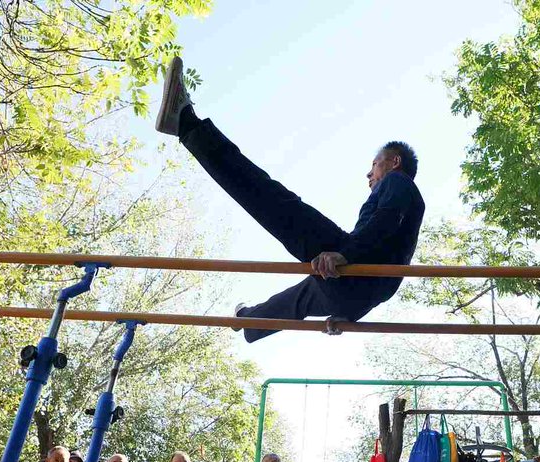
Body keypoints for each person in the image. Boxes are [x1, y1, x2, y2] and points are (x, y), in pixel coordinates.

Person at [153, 57, 426, 343]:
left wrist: (346, 254)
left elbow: (386, 219)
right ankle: (249, 320)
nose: (369, 173)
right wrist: (351, 314)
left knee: (273, 200)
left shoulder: (399, 181)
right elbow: (388, 269)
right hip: (358, 294)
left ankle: (186, 123)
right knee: (306, 293)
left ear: (395, 162)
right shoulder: (402, 211)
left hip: (357, 274)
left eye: (376, 164)